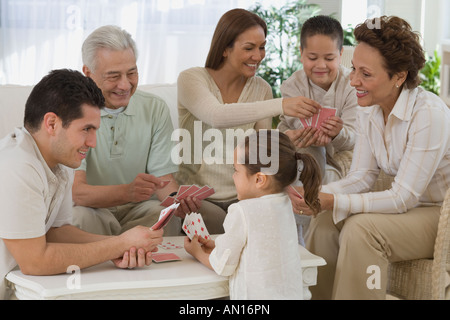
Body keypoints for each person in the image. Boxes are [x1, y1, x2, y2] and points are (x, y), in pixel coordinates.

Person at [290, 16, 450, 300]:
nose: (353, 81)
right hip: (407, 210)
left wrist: (334, 200)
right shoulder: (370, 109)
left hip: (439, 215)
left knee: (361, 229)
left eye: (365, 74)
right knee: (326, 222)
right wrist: (317, 194)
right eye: (353, 69)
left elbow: (403, 197)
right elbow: (362, 177)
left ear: (399, 76)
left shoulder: (429, 114)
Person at [0, 69, 163, 300]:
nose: (93, 142)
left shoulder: (61, 162)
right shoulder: (17, 166)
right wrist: (119, 245)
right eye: (86, 129)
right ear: (52, 124)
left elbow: (57, 233)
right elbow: (35, 262)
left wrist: (123, 244)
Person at [176, 8, 322, 234]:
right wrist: (282, 104)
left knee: (271, 218)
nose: (258, 56)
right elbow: (216, 115)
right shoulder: (191, 79)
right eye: (249, 48)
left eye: (262, 47)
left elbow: (259, 152)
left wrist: (285, 141)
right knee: (225, 228)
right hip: (199, 201)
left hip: (244, 197)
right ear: (225, 49)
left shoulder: (261, 88)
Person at [72, 25, 201, 236]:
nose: (125, 85)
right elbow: (77, 193)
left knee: (165, 216)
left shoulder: (154, 108)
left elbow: (162, 180)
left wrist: (179, 200)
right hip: (93, 210)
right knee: (78, 218)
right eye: (113, 76)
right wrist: (126, 192)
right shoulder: (72, 112)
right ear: (88, 73)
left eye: (131, 73)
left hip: (139, 209)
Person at [184, 130, 322, 299]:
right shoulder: (285, 204)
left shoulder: (241, 211)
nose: (233, 177)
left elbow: (224, 265)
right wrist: (216, 245)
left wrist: (196, 252)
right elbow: (258, 248)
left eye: (236, 171)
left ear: (259, 179)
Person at [279, 15, 358, 184]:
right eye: (313, 58)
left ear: (341, 53)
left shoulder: (352, 85)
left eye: (329, 59)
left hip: (340, 153)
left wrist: (338, 133)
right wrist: (312, 136)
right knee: (304, 147)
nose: (321, 66)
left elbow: (354, 135)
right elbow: (294, 127)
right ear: (301, 53)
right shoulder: (292, 86)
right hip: (304, 149)